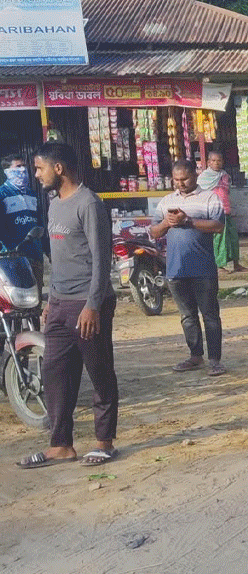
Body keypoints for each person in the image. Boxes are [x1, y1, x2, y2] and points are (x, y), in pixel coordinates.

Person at [16, 143, 119, 469]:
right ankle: (61, 445)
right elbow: (58, 261)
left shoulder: (88, 204)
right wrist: (50, 300)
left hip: (88, 305)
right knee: (55, 373)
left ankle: (104, 442)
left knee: (100, 373)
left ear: (58, 168)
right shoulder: (54, 204)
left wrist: (93, 305)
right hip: (60, 304)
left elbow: (102, 260)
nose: (36, 174)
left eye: (39, 167)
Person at [150, 160, 227, 377]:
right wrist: (167, 223)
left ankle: (215, 360)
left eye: (184, 179)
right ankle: (195, 356)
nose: (180, 183)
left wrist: (188, 221)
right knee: (187, 316)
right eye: (176, 180)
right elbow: (154, 232)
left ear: (195, 175)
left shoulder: (210, 198)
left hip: (203, 269)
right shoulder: (166, 201)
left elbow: (218, 226)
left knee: (210, 316)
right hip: (176, 270)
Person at [198, 150, 248, 273]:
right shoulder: (203, 177)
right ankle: (219, 266)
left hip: (226, 210)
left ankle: (236, 264)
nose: (216, 163)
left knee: (233, 239)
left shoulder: (224, 175)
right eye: (213, 160)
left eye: (219, 160)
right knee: (219, 240)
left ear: (222, 162)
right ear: (209, 162)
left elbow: (227, 192)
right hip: (214, 213)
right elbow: (200, 196)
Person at [0, 155, 44, 288]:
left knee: (36, 295)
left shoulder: (32, 194)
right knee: (18, 296)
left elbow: (40, 224)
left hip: (35, 255)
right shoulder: (2, 194)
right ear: (7, 171)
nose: (23, 169)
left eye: (24, 166)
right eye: (18, 166)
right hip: (13, 258)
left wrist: (47, 250)